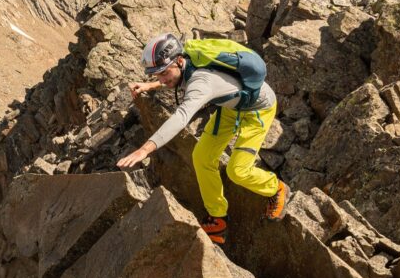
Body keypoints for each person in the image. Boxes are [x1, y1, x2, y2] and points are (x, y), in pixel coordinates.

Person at [116, 32, 289, 244]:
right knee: (202, 157)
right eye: (157, 75)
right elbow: (178, 77)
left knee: (238, 171)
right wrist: (151, 85)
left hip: (257, 110)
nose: (161, 78)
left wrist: (145, 149)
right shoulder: (188, 61)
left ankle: (276, 188)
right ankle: (218, 218)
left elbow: (181, 117)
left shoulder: (201, 83)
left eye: (163, 73)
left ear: (179, 60)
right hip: (230, 109)